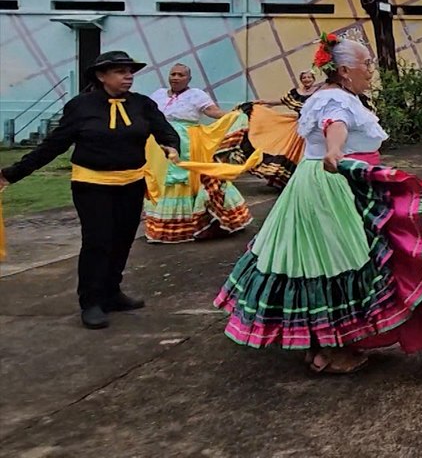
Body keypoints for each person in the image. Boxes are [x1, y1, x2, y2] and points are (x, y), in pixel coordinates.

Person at [215, 35, 422, 374]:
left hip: (323, 183)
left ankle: (321, 347)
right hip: (333, 187)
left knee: (317, 262)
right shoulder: (335, 99)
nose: (370, 70)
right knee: (340, 262)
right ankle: (331, 351)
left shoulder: (331, 95)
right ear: (345, 70)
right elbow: (333, 126)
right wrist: (336, 152)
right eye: (366, 64)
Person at [0, 51, 181, 329]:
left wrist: (171, 145)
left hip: (131, 183)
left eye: (130, 71)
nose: (128, 76)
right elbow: (54, 145)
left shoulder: (143, 104)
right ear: (101, 76)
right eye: (120, 71)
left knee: (122, 240)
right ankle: (92, 302)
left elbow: (164, 130)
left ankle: (112, 292)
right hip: (92, 185)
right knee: (98, 242)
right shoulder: (81, 107)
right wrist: (12, 174)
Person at [143, 63, 253, 243]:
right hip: (158, 144)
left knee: (186, 179)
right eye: (173, 74)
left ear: (188, 79)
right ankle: (165, 225)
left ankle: (194, 223)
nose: (176, 78)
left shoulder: (196, 95)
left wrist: (236, 115)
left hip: (187, 144)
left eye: (180, 75)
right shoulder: (158, 95)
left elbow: (213, 112)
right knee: (161, 181)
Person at [228, 70, 319, 189]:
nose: (307, 79)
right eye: (304, 77)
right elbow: (281, 101)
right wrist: (264, 102)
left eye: (309, 77)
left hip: (313, 128)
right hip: (299, 127)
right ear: (301, 79)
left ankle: (307, 181)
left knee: (305, 155)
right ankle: (288, 181)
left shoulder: (319, 93)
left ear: (314, 79)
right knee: (288, 151)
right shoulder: (296, 92)